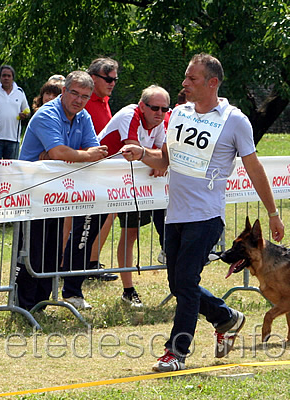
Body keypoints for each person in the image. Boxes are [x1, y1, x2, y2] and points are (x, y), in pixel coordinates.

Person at [120, 54, 285, 372]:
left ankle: (176, 352)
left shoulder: (234, 120)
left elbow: (253, 167)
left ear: (212, 83)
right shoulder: (178, 113)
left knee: (185, 281)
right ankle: (226, 317)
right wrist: (142, 153)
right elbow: (164, 161)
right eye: (185, 77)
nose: (184, 83)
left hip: (206, 217)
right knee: (179, 284)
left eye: (191, 79)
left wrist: (273, 213)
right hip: (175, 216)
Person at [16, 71, 108, 311]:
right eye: (75, 93)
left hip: (58, 195)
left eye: (85, 96)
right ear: (64, 91)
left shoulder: (83, 116)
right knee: (32, 250)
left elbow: (94, 150)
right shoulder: (47, 113)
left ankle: (42, 304)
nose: (79, 100)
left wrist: (71, 154)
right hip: (32, 193)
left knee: (53, 249)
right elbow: (62, 152)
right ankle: (24, 305)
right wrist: (77, 155)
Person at [97, 85, 170, 308]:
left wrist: (155, 159)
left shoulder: (159, 123)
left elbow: (165, 156)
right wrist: (154, 159)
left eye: (164, 109)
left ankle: (128, 290)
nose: (159, 113)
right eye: (154, 107)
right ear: (142, 106)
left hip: (130, 184)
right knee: (86, 233)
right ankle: (71, 287)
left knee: (130, 234)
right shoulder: (130, 115)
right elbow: (133, 151)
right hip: (100, 181)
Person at [82, 57, 120, 282]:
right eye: (108, 78)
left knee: (107, 214)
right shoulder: (84, 100)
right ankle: (75, 264)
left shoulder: (104, 100)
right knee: (83, 219)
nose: (112, 83)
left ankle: (92, 262)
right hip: (85, 168)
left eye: (115, 79)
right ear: (93, 78)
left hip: (104, 168)